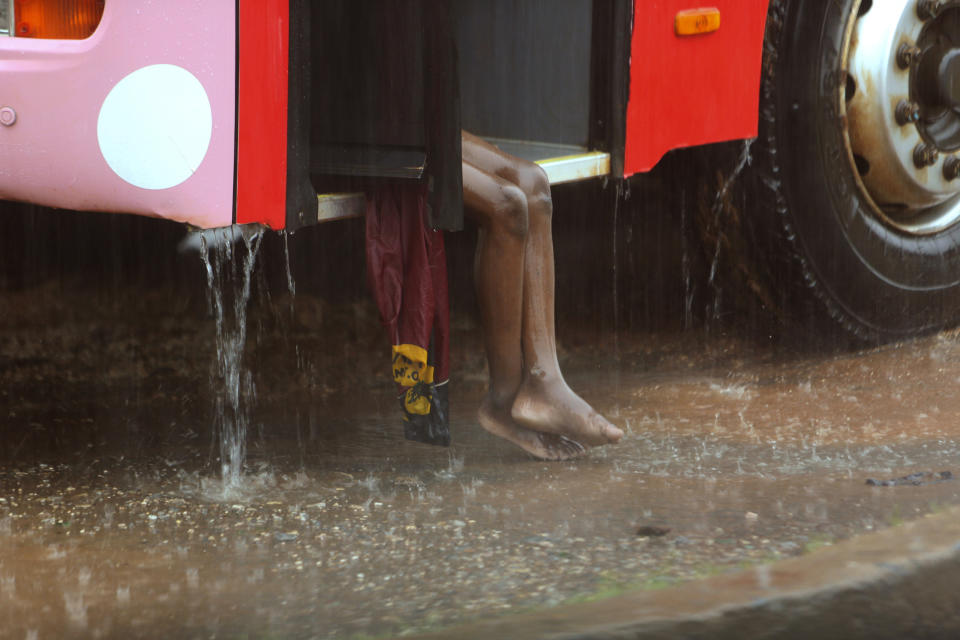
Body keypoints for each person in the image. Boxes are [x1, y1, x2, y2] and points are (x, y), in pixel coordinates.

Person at [460, 131, 623, 459]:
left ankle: (544, 380)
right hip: (382, 130)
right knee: (506, 204)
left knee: (534, 184)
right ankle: (503, 399)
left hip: (421, 121)